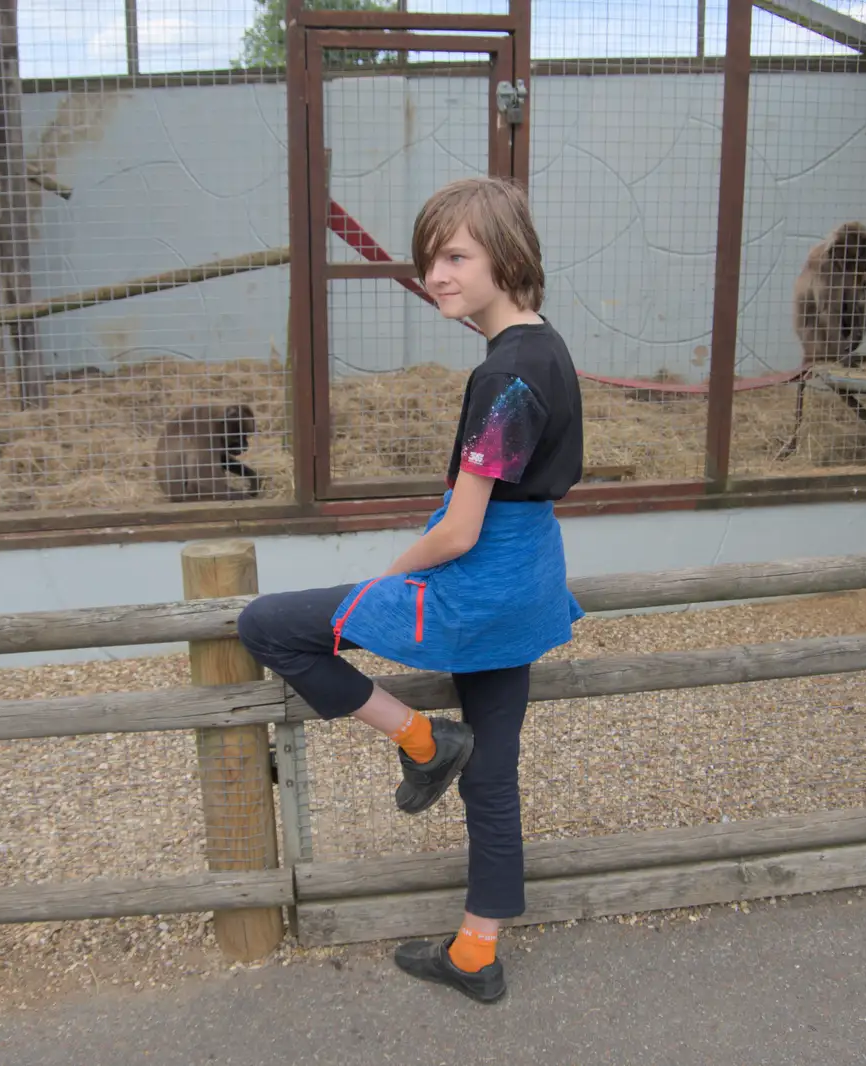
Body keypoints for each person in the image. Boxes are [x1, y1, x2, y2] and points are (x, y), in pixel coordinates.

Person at [236, 175, 584, 1004]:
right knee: (496, 774)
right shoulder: (548, 347)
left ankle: (423, 741)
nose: (437, 274)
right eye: (430, 258)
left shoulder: (503, 379)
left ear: (507, 255)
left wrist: (391, 573)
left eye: (457, 255)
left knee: (268, 625)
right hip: (531, 578)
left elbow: (461, 530)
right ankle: (476, 952)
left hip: (482, 579)